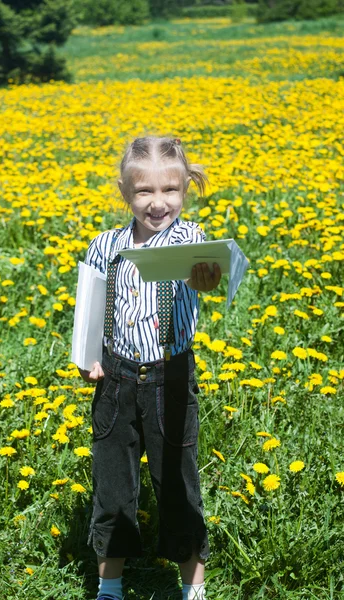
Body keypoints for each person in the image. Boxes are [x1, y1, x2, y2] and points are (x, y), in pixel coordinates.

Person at [79, 136, 222, 600]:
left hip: (170, 378)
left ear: (184, 190)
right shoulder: (106, 245)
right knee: (113, 487)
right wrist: (88, 358)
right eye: (144, 192)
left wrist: (206, 278)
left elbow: (211, 275)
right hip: (116, 381)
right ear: (124, 192)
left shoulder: (190, 239)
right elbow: (92, 308)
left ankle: (192, 589)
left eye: (170, 191)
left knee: (178, 484)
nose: (158, 203)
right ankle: (110, 586)